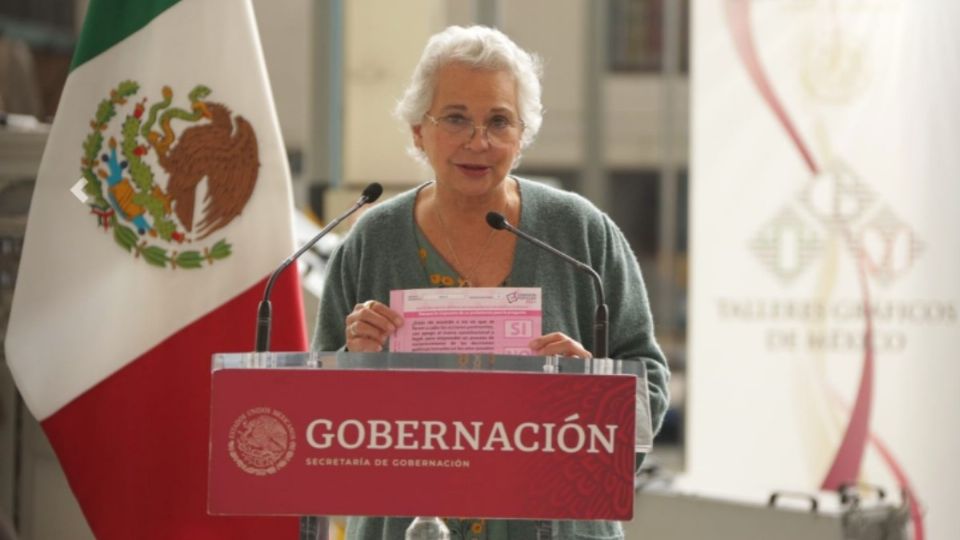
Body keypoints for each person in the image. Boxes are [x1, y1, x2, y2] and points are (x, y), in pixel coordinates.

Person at [312, 25, 670, 540]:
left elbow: (650, 382)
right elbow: (318, 412)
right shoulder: (372, 240)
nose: (478, 142)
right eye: (455, 118)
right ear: (419, 131)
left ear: (521, 136)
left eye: (499, 121)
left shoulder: (581, 232)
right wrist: (352, 359)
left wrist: (596, 390)